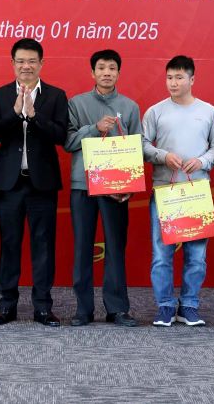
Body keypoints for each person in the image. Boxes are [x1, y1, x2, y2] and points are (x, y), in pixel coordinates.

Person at [0, 38, 68, 327]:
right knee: (9, 245)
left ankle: (43, 307)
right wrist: (14, 112)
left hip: (42, 184)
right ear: (12, 63)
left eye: (32, 61)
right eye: (20, 61)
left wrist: (33, 116)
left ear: (41, 64)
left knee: (43, 246)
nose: (26, 66)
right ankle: (6, 305)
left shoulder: (56, 96)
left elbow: (61, 136)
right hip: (10, 184)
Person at [142, 55, 214, 327]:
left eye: (179, 77)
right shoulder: (155, 111)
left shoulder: (209, 111)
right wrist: (163, 156)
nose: (173, 83)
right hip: (165, 190)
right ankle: (165, 306)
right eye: (169, 77)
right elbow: (142, 145)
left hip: (197, 191)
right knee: (161, 254)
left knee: (196, 256)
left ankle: (189, 305)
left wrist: (202, 161)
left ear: (192, 79)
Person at [64, 49, 141, 327]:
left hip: (116, 187)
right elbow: (69, 142)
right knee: (83, 247)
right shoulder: (76, 103)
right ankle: (83, 309)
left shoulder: (130, 107)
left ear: (119, 73)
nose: (106, 72)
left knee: (115, 247)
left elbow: (136, 147)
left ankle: (117, 308)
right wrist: (94, 128)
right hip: (82, 186)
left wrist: (130, 184)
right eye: (101, 68)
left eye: (112, 68)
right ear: (92, 72)